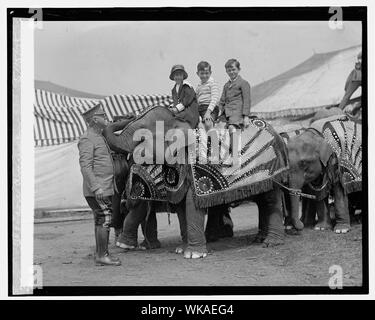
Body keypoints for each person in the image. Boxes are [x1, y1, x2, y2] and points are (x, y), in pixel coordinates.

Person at [78, 103, 120, 266]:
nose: (105, 117)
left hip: (103, 187)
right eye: (102, 115)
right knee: (104, 219)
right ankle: (103, 255)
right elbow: (85, 166)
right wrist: (96, 187)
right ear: (94, 119)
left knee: (101, 219)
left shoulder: (98, 135)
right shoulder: (88, 138)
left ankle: (101, 254)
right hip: (98, 189)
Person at [218, 58, 251, 131]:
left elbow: (247, 101)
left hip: (237, 113)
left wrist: (246, 117)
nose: (231, 72)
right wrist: (219, 111)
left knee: (232, 128)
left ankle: (235, 142)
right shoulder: (226, 85)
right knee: (218, 128)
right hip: (226, 113)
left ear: (239, 69)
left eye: (233, 69)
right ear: (226, 71)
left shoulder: (243, 83)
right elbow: (222, 101)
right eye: (229, 70)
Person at [169, 64, 200, 129]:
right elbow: (175, 101)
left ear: (183, 76)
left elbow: (187, 100)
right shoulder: (174, 89)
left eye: (180, 75)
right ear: (173, 77)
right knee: (168, 115)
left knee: (179, 117)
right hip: (181, 109)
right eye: (176, 75)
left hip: (189, 110)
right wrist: (172, 108)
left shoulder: (187, 86)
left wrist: (177, 109)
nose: (178, 77)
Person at [195, 61, 220, 131]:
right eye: (202, 73)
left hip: (211, 108)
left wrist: (208, 112)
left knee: (208, 123)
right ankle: (203, 140)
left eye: (207, 73)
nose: (204, 75)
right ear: (197, 74)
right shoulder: (199, 86)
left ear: (210, 73)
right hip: (200, 108)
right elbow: (196, 99)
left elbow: (215, 99)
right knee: (196, 124)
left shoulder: (212, 83)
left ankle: (214, 141)